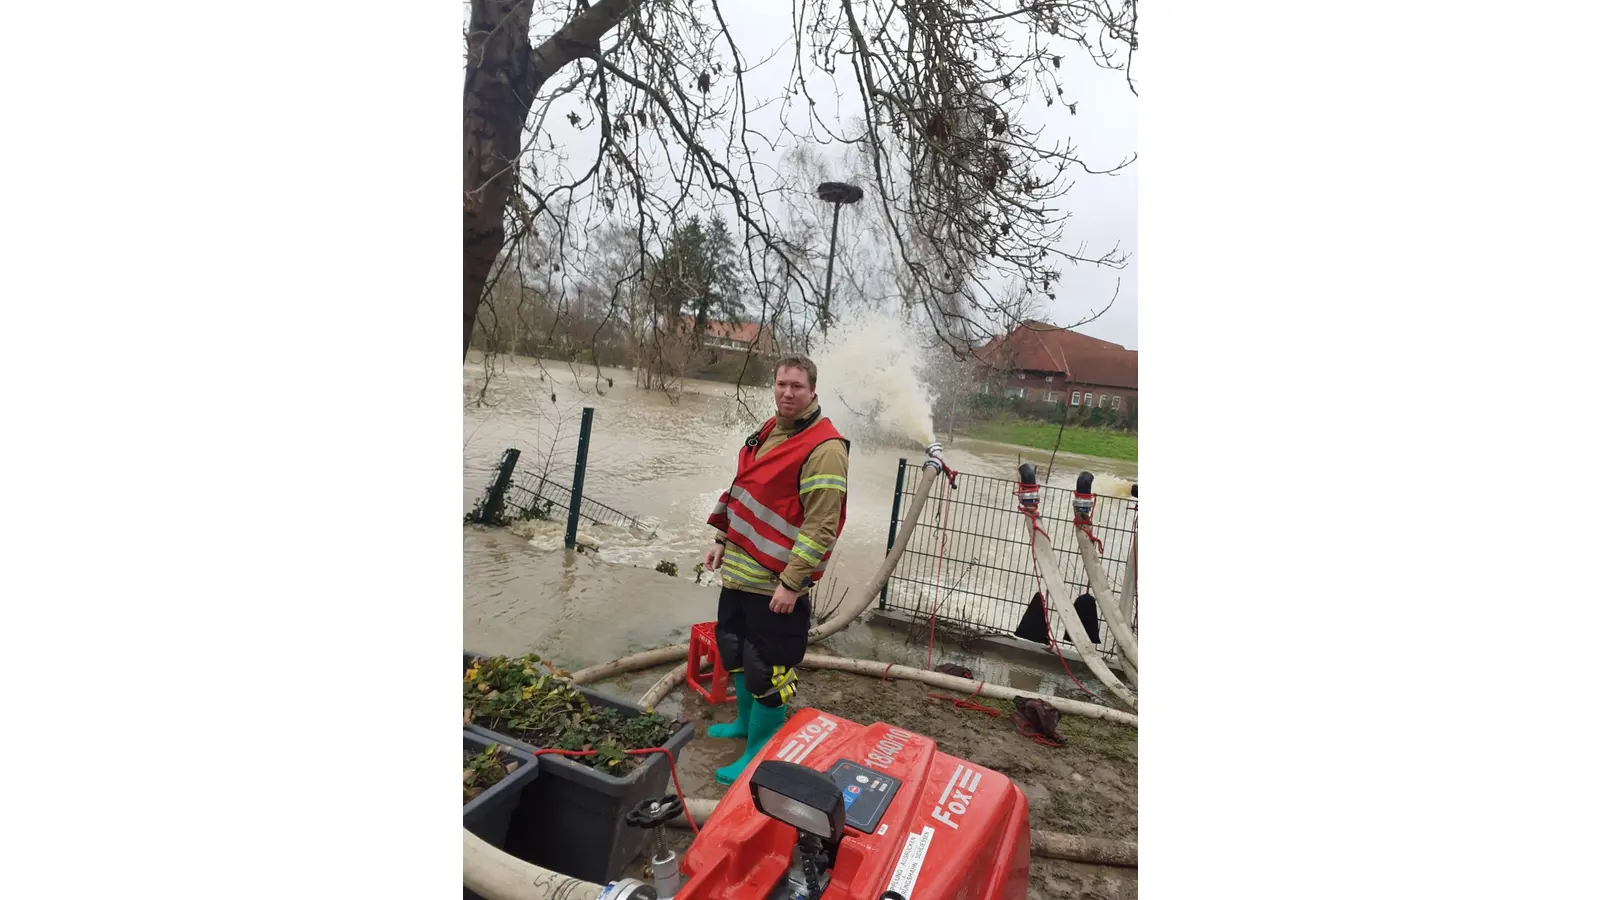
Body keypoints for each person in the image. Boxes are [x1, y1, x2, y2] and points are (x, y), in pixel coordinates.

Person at [702, 354, 849, 785]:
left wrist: (791, 583)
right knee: (736, 652)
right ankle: (744, 727)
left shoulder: (825, 450)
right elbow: (743, 488)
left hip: (776, 586)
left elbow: (821, 526)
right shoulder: (769, 430)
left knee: (768, 670)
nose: (787, 393)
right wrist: (721, 538)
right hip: (740, 576)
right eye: (782, 384)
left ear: (812, 392)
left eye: (797, 387)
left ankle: (757, 755)